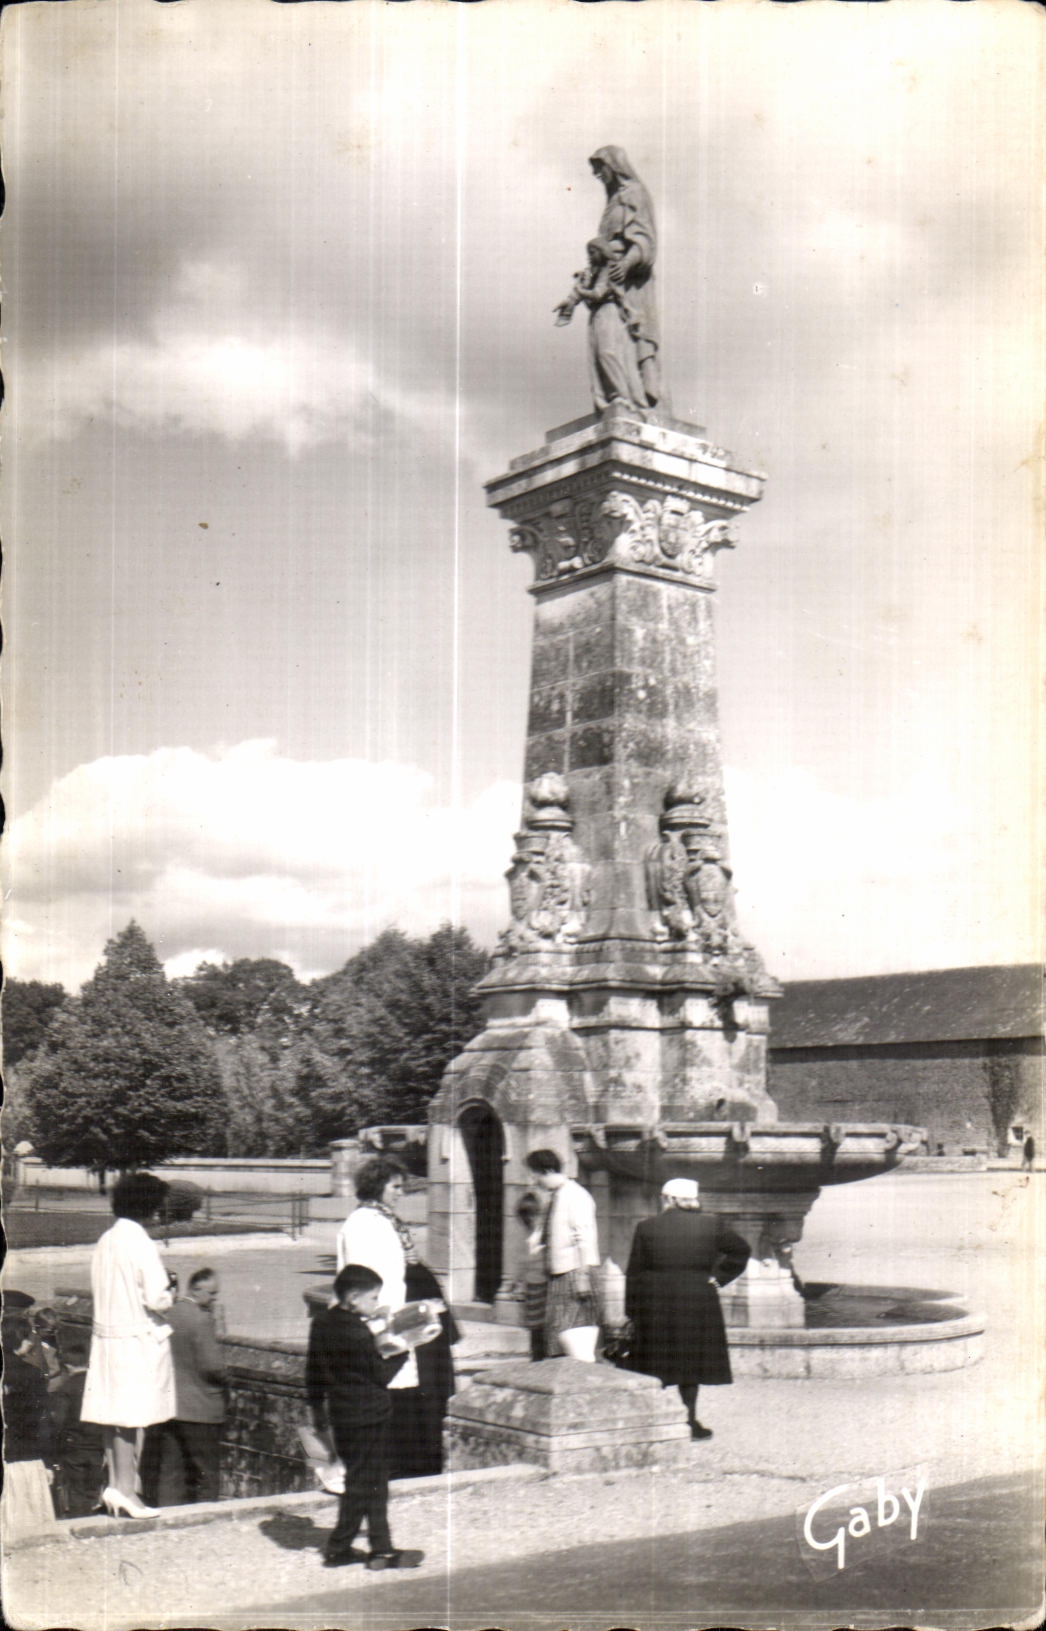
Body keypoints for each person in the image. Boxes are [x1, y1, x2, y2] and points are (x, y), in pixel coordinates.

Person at [306, 1262, 433, 1571]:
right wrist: (404, 1348)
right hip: (370, 1414)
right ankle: (345, 1548)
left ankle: (379, 1548)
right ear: (354, 1298)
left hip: (342, 1413)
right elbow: (378, 1374)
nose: (376, 1303)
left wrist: (317, 1410)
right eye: (373, 1298)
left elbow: (314, 1372)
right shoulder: (358, 1332)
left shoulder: (322, 1323)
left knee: (365, 1480)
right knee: (369, 1483)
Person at [79, 1170, 175, 1518]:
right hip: (134, 1339)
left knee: (115, 1416)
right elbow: (158, 1299)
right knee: (131, 1416)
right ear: (148, 1206)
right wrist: (170, 1291)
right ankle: (124, 1490)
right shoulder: (140, 1242)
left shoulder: (107, 1239)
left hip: (108, 1337)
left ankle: (119, 1487)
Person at [625, 1177, 750, 1440]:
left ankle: (654, 1421)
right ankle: (689, 1420)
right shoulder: (712, 1224)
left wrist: (632, 1311)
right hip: (697, 1298)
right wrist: (719, 1277)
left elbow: (635, 1272)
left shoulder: (647, 1227)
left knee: (654, 1359)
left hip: (655, 1300)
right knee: (690, 1364)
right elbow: (741, 1250)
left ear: (668, 1199)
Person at [336, 1156, 425, 1479]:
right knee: (382, 1396)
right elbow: (361, 1281)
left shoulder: (383, 1220)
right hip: (378, 1323)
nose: (401, 1193)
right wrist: (376, 1321)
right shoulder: (363, 1224)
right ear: (377, 1186)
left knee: (396, 1397)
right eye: (395, 1187)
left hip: (395, 1320)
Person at [555, 146, 661, 416]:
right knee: (599, 353)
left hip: (626, 286)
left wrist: (625, 263)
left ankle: (627, 400)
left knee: (611, 348)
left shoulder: (634, 194)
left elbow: (645, 240)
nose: (597, 175)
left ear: (613, 166)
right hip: (608, 283)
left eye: (599, 168)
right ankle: (614, 400)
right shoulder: (611, 204)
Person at [140, 1268, 226, 1506]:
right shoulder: (201, 1319)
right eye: (211, 1293)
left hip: (169, 1406)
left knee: (170, 1472)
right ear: (196, 1289)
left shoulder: (169, 1314)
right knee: (206, 1473)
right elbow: (212, 1365)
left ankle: (169, 1518)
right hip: (201, 1408)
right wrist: (228, 1378)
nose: (214, 1299)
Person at [524, 1149, 600, 1362]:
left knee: (574, 1336)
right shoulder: (557, 1196)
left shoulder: (575, 1195)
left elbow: (585, 1237)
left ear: (546, 1170)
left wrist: (583, 1277)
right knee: (558, 1336)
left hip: (574, 1274)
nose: (533, 1180)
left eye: (535, 1174)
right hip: (559, 1273)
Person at [1, 1307, 57, 1540]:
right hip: (26, 1457)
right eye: (27, 1338)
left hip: (7, 1456)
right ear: (18, 1339)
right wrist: (50, 1461)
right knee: (30, 1526)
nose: (31, 1344)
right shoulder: (30, 1374)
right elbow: (41, 1421)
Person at [515, 1190, 550, 1361]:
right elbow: (523, 1260)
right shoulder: (528, 1235)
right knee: (534, 1329)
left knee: (542, 1328)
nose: (529, 1220)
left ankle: (541, 1358)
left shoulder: (545, 1233)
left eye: (532, 1215)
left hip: (544, 1284)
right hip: (532, 1284)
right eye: (525, 1216)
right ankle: (536, 1358)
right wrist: (519, 1282)